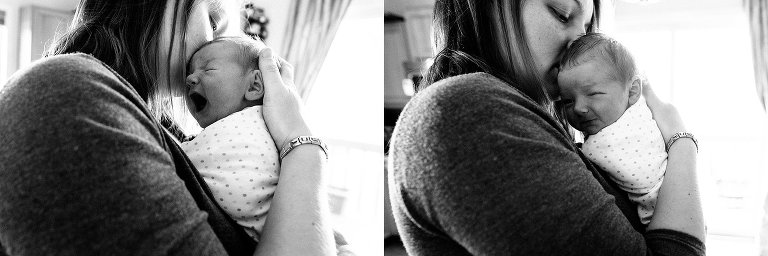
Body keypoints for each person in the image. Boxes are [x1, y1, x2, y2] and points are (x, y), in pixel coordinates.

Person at [0, 0, 337, 255]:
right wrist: (301, 143)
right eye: (213, 20)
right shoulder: (68, 95)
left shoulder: (166, 131)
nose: (210, 44)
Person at [388, 0, 705, 255]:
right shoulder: (466, 110)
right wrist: (680, 140)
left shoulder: (520, 117)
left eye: (585, 29)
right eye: (562, 13)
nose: (577, 43)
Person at [557, 33, 674, 225]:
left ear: (633, 91)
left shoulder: (606, 143)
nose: (578, 108)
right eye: (568, 101)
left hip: (661, 215)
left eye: (593, 93)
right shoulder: (643, 106)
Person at [180, 36, 280, 242]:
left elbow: (177, 161)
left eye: (208, 70)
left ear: (253, 87)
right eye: (190, 72)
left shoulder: (251, 125)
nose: (190, 79)